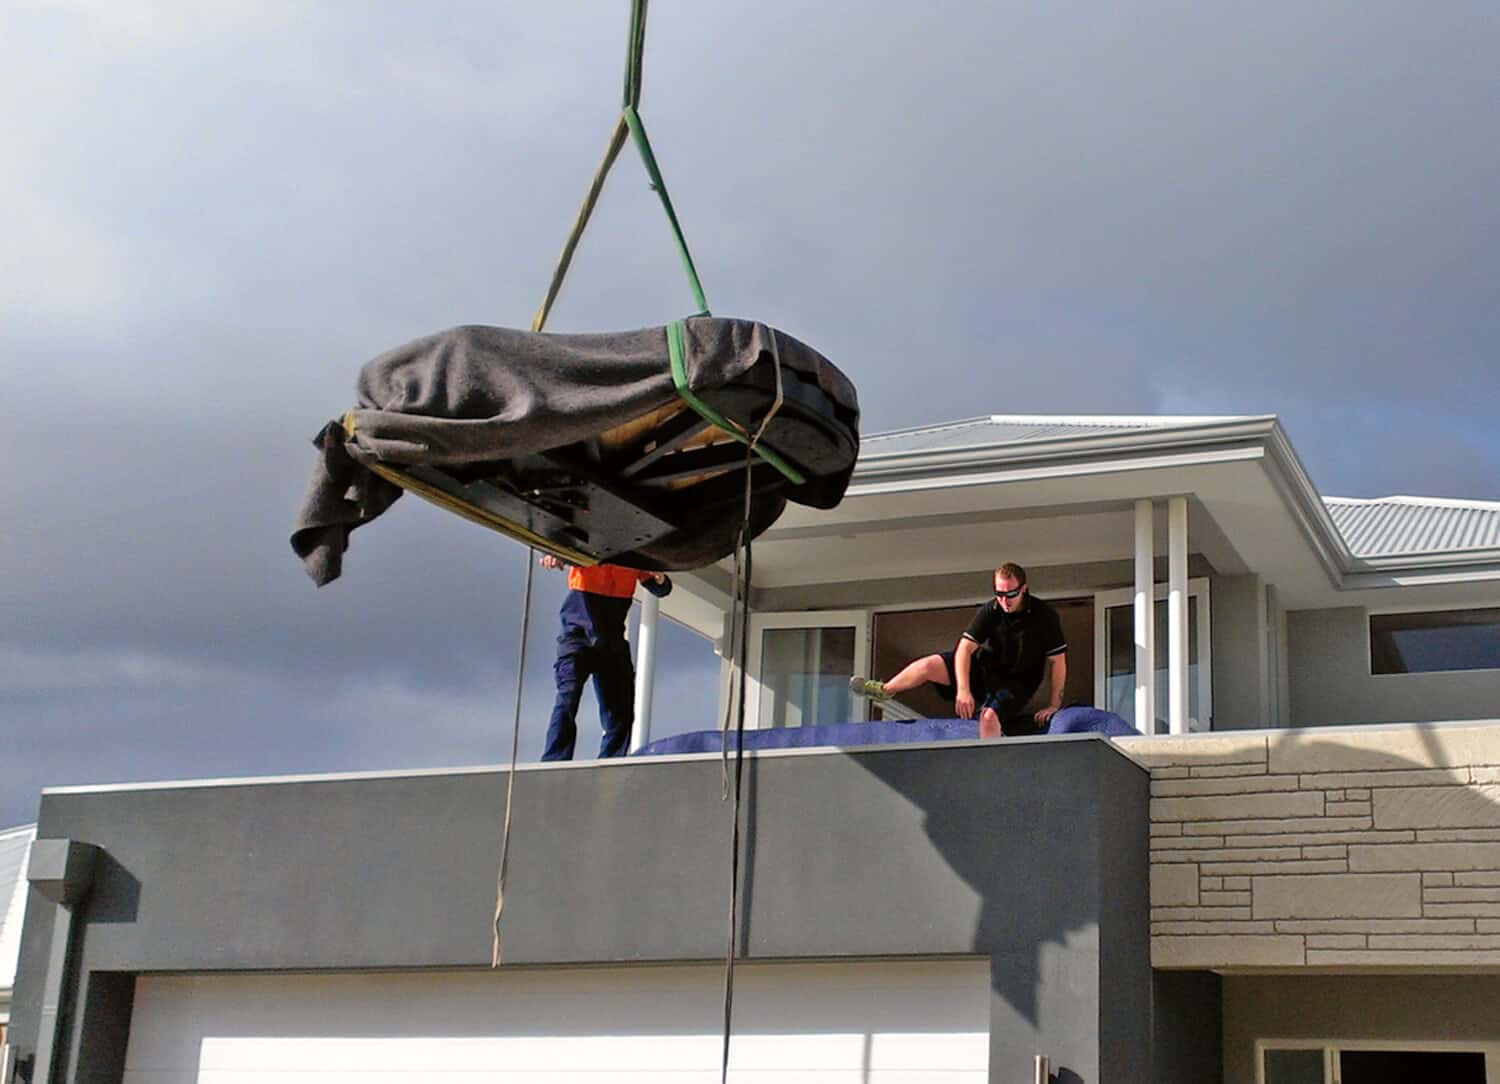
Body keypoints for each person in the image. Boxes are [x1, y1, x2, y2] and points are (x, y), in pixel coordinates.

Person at [849, 562, 1067, 738]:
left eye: (1011, 594)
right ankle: (884, 690)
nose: (1004, 601)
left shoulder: (1044, 616)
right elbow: (964, 649)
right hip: (985, 670)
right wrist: (963, 690)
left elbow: (1058, 662)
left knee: (989, 716)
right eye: (999, 593)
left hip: (1017, 681)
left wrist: (1053, 705)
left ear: (1024, 589)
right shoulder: (991, 610)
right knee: (928, 665)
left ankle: (989, 766)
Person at [538, 554, 673, 761]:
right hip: (578, 633)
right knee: (568, 696)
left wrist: (660, 576)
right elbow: (563, 546)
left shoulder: (633, 556)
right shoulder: (594, 545)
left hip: (611, 639)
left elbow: (661, 588)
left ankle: (610, 764)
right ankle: (554, 761)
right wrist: (552, 556)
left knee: (621, 712)